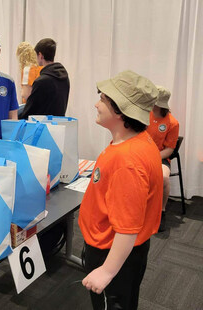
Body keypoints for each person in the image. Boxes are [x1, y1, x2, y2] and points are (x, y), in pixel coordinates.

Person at [78, 70, 163, 310]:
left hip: (112, 253)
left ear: (119, 110)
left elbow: (127, 228)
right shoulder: (134, 141)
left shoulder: (127, 160)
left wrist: (107, 270)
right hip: (117, 250)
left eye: (103, 99)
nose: (96, 104)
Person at [146, 86, 179, 232]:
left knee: (164, 178)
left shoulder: (172, 123)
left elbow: (170, 150)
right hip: (140, 153)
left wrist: (153, 157)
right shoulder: (144, 114)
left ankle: (161, 211)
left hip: (160, 157)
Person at [19, 38, 70, 119]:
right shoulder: (65, 77)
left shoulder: (41, 81)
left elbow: (29, 111)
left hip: (43, 127)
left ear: (40, 55)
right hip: (59, 124)